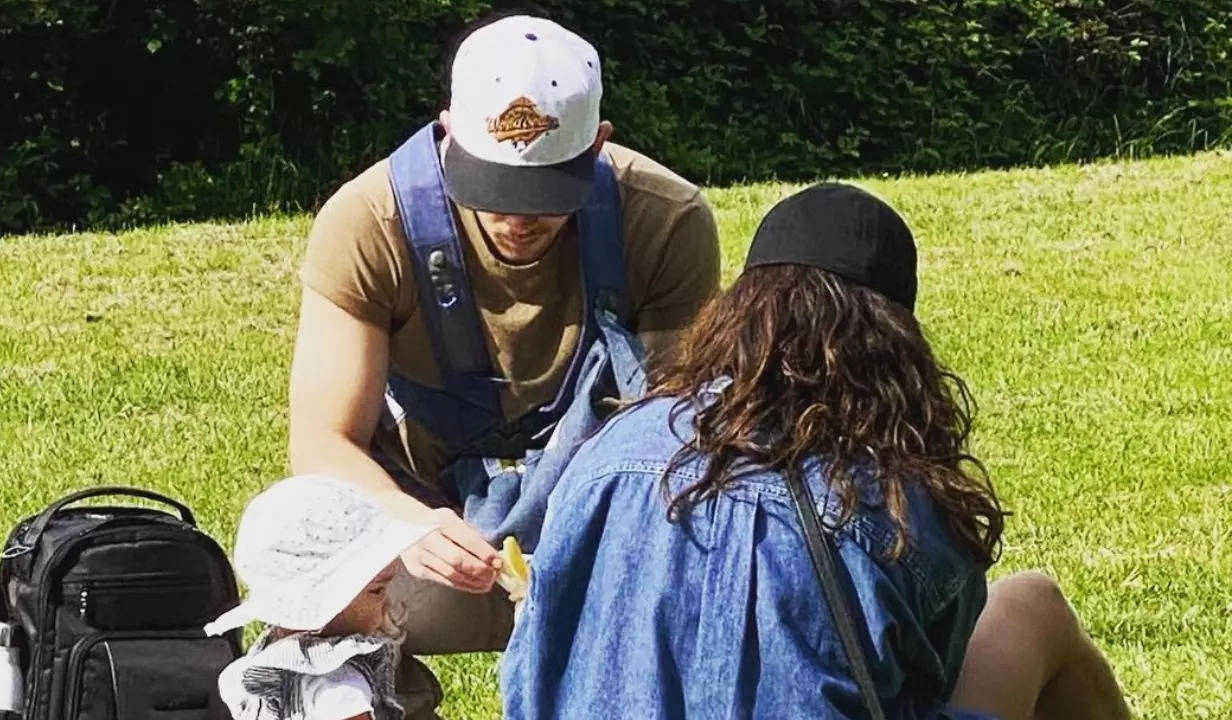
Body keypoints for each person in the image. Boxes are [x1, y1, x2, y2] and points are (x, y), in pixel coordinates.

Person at [502, 184, 1131, 719]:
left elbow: (528, 676)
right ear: (894, 343)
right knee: (1033, 605)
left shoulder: (610, 452)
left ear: (736, 312)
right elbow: (932, 676)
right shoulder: (894, 495)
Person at [286, 12, 720, 716]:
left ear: (599, 145)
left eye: (547, 194)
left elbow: (681, 435)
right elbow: (321, 441)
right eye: (491, 188)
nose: (517, 219)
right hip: (424, 528)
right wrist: (407, 520)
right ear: (448, 133)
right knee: (302, 584)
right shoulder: (369, 221)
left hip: (605, 530)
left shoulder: (665, 220)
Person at [206, 475, 436, 720]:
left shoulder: (268, 659)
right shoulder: (339, 687)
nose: (387, 603)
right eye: (377, 591)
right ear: (324, 602)